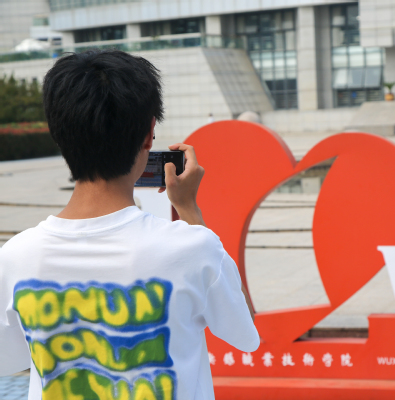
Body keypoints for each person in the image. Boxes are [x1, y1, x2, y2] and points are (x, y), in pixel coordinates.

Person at [0, 50, 258, 400]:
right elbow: (245, 334)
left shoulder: (16, 257)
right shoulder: (193, 247)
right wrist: (188, 209)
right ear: (149, 134)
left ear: (58, 133)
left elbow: (9, 359)